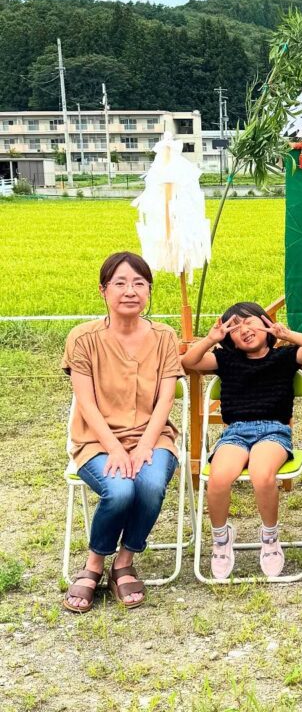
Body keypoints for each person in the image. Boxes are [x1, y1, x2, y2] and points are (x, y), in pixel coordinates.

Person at [61, 252, 182, 612]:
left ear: (148, 291)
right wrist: (114, 447)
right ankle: (94, 563)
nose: (130, 291)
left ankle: (124, 561)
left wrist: (145, 445)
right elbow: (86, 402)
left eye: (139, 283)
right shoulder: (83, 338)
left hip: (153, 437)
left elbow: (165, 400)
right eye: (120, 283)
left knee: (149, 483)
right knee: (119, 490)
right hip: (95, 441)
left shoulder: (164, 336)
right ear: (103, 291)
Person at [180, 303, 302, 579]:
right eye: (235, 327)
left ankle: (270, 536)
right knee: (218, 477)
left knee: (261, 473)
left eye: (250, 322)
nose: (244, 330)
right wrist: (211, 339)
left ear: (266, 323)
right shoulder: (226, 360)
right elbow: (188, 363)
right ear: (228, 338)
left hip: (274, 430)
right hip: (235, 431)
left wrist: (289, 334)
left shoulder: (285, 356)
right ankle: (221, 538)